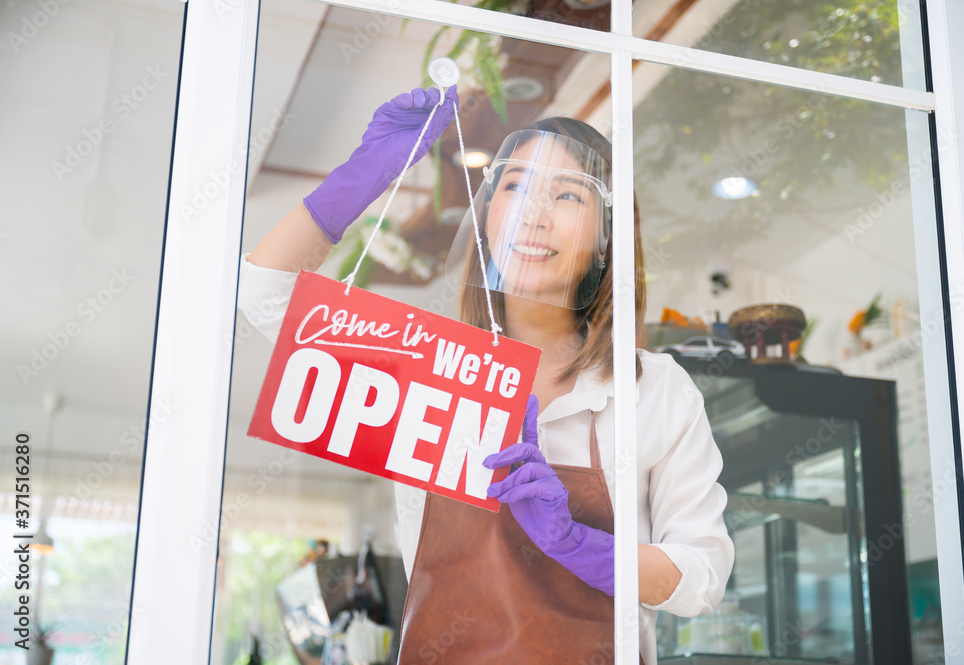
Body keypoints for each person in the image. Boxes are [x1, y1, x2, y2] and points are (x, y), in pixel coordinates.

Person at [237, 85, 734, 664]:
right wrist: (369, 170)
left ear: (607, 240)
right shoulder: (423, 362)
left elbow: (703, 577)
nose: (533, 214)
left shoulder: (654, 388)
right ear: (488, 213)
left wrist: (576, 543)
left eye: (568, 194)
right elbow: (266, 295)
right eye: (516, 186)